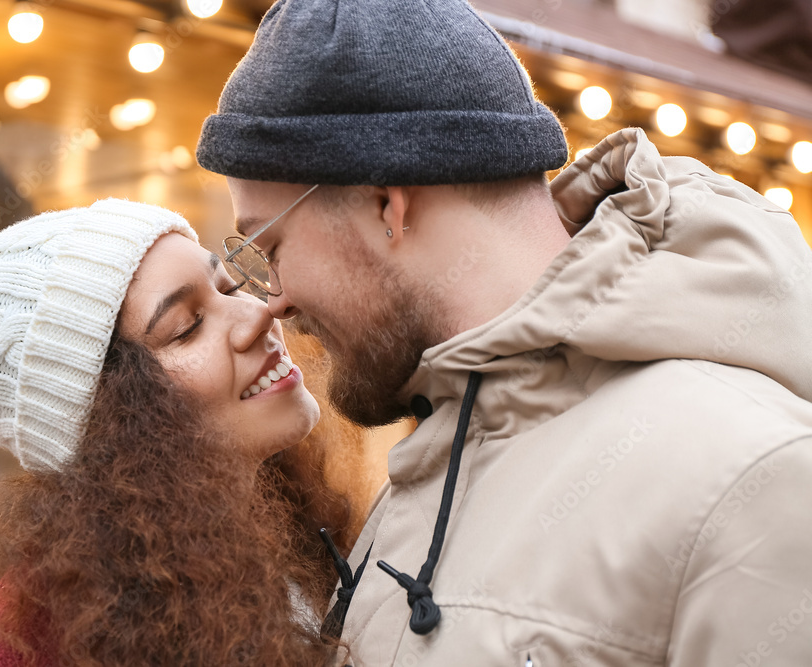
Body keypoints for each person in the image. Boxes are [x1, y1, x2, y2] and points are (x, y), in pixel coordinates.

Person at [194, 0, 812, 664]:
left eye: (268, 244)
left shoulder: (754, 478)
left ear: (385, 207)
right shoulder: (440, 454)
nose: (274, 300)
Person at [0, 199, 355, 665]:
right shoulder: (40, 646)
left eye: (228, 286)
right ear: (112, 422)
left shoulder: (300, 539)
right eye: (186, 327)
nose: (257, 314)